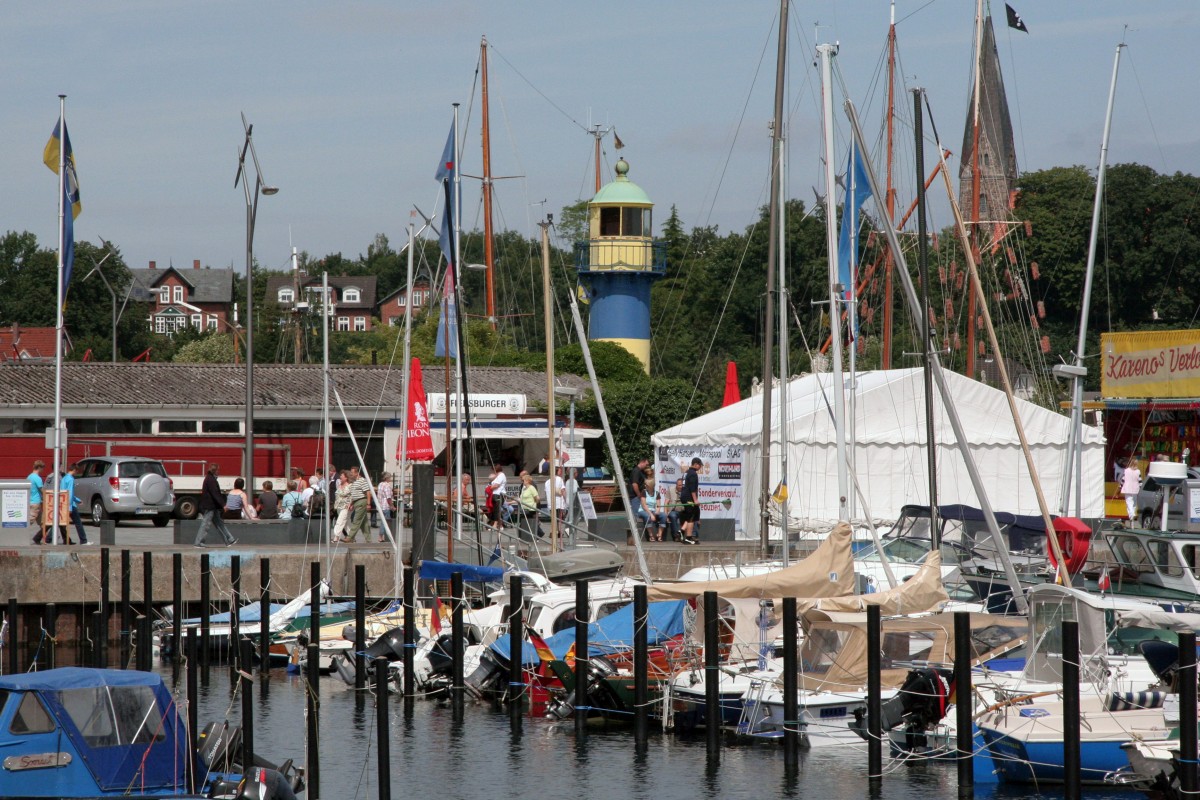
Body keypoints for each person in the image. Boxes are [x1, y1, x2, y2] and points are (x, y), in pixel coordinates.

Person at [193, 463, 236, 547]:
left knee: (219, 523)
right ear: (215, 470)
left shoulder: (210, 478)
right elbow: (215, 493)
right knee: (206, 524)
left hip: (212, 506)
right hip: (210, 506)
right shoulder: (211, 480)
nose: (219, 472)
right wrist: (223, 504)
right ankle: (198, 542)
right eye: (218, 470)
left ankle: (229, 539)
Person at [58, 462, 89, 545]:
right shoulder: (71, 479)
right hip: (70, 504)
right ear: (74, 470)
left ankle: (64, 539)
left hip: (63, 502)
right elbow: (70, 493)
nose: (77, 473)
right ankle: (83, 540)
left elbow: (64, 492)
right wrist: (70, 507)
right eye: (77, 471)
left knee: (61, 522)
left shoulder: (64, 478)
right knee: (78, 523)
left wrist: (77, 500)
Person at [345, 466, 371, 542]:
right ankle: (368, 539)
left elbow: (368, 492)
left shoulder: (362, 480)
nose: (351, 474)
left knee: (356, 520)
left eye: (352, 473)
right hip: (356, 502)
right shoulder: (354, 482)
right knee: (364, 523)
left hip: (361, 501)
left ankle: (350, 537)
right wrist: (351, 503)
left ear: (357, 473)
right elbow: (354, 494)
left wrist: (368, 504)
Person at [638, 476, 668, 541]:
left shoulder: (657, 493)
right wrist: (651, 514)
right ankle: (651, 535)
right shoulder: (644, 492)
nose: (645, 485)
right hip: (644, 510)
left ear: (650, 486)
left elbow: (658, 505)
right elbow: (644, 505)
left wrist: (657, 510)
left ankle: (659, 534)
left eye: (646, 484)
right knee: (647, 516)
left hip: (653, 510)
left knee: (663, 515)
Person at [679, 457, 702, 544]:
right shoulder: (693, 474)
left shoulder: (686, 472)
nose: (700, 467)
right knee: (691, 517)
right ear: (696, 464)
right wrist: (695, 500)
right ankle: (688, 537)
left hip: (684, 496)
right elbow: (692, 488)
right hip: (689, 498)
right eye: (700, 465)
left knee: (694, 513)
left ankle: (682, 531)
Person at [518, 473, 543, 548]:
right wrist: (510, 502)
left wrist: (534, 504)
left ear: (527, 481)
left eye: (523, 481)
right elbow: (521, 498)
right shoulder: (524, 489)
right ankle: (538, 534)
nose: (523, 482)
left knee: (526, 521)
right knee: (527, 522)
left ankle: (537, 534)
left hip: (531, 508)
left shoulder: (532, 488)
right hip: (525, 508)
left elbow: (537, 498)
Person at [331, 470, 353, 542]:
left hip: (346, 506)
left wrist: (351, 504)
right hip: (338, 506)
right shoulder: (339, 485)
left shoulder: (350, 486)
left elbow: (353, 496)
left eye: (341, 476)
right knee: (346, 523)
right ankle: (351, 536)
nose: (340, 477)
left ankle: (336, 537)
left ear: (346, 478)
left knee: (339, 521)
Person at [28, 459, 46, 545]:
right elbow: (42, 490)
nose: (43, 470)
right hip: (36, 502)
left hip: (30, 501)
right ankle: (18, 534)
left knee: (43, 522)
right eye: (42, 468)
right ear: (39, 467)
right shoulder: (37, 478)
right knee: (30, 521)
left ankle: (43, 539)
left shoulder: (29, 477)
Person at [1120, 458, 1142, 523]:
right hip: (1136, 489)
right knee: (1134, 504)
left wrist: (1120, 487)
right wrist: (1141, 489)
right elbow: (1140, 481)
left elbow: (1123, 480)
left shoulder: (1126, 470)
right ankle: (1132, 515)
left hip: (1127, 488)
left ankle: (1132, 515)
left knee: (1129, 503)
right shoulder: (1138, 471)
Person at [487, 464, 508, 531]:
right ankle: (499, 525)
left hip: (498, 494)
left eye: (493, 470)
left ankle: (495, 525)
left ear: (495, 469)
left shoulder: (501, 475)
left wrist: (489, 488)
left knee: (497, 510)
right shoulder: (497, 476)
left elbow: (496, 485)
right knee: (494, 510)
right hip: (494, 494)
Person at [663, 478, 683, 542]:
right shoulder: (670, 490)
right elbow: (666, 502)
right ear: (676, 485)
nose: (681, 487)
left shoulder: (686, 490)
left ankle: (692, 536)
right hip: (673, 510)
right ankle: (676, 535)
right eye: (679, 485)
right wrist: (665, 515)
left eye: (682, 485)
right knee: (673, 516)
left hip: (683, 511)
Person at [376, 472, 394, 542]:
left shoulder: (380, 484)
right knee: (385, 522)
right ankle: (381, 536)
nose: (390, 479)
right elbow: (388, 497)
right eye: (390, 477)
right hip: (386, 506)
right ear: (387, 478)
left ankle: (382, 536)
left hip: (380, 505)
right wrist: (392, 506)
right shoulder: (387, 486)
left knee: (383, 521)